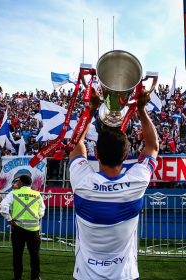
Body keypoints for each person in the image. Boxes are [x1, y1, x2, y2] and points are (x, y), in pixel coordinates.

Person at [69, 88, 159, 280]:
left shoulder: (82, 182)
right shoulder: (135, 183)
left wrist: (91, 107)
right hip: (125, 276)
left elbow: (76, 144)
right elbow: (152, 146)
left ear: (97, 154)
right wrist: (141, 109)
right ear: (127, 156)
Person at [0, 175, 45, 280]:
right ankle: (35, 277)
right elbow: (42, 210)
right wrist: (35, 218)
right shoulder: (37, 194)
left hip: (18, 227)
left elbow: (3, 206)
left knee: (17, 254)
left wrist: (9, 219)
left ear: (21, 183)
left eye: (18, 182)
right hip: (33, 228)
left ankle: (18, 277)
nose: (17, 184)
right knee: (34, 254)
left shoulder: (14, 193)